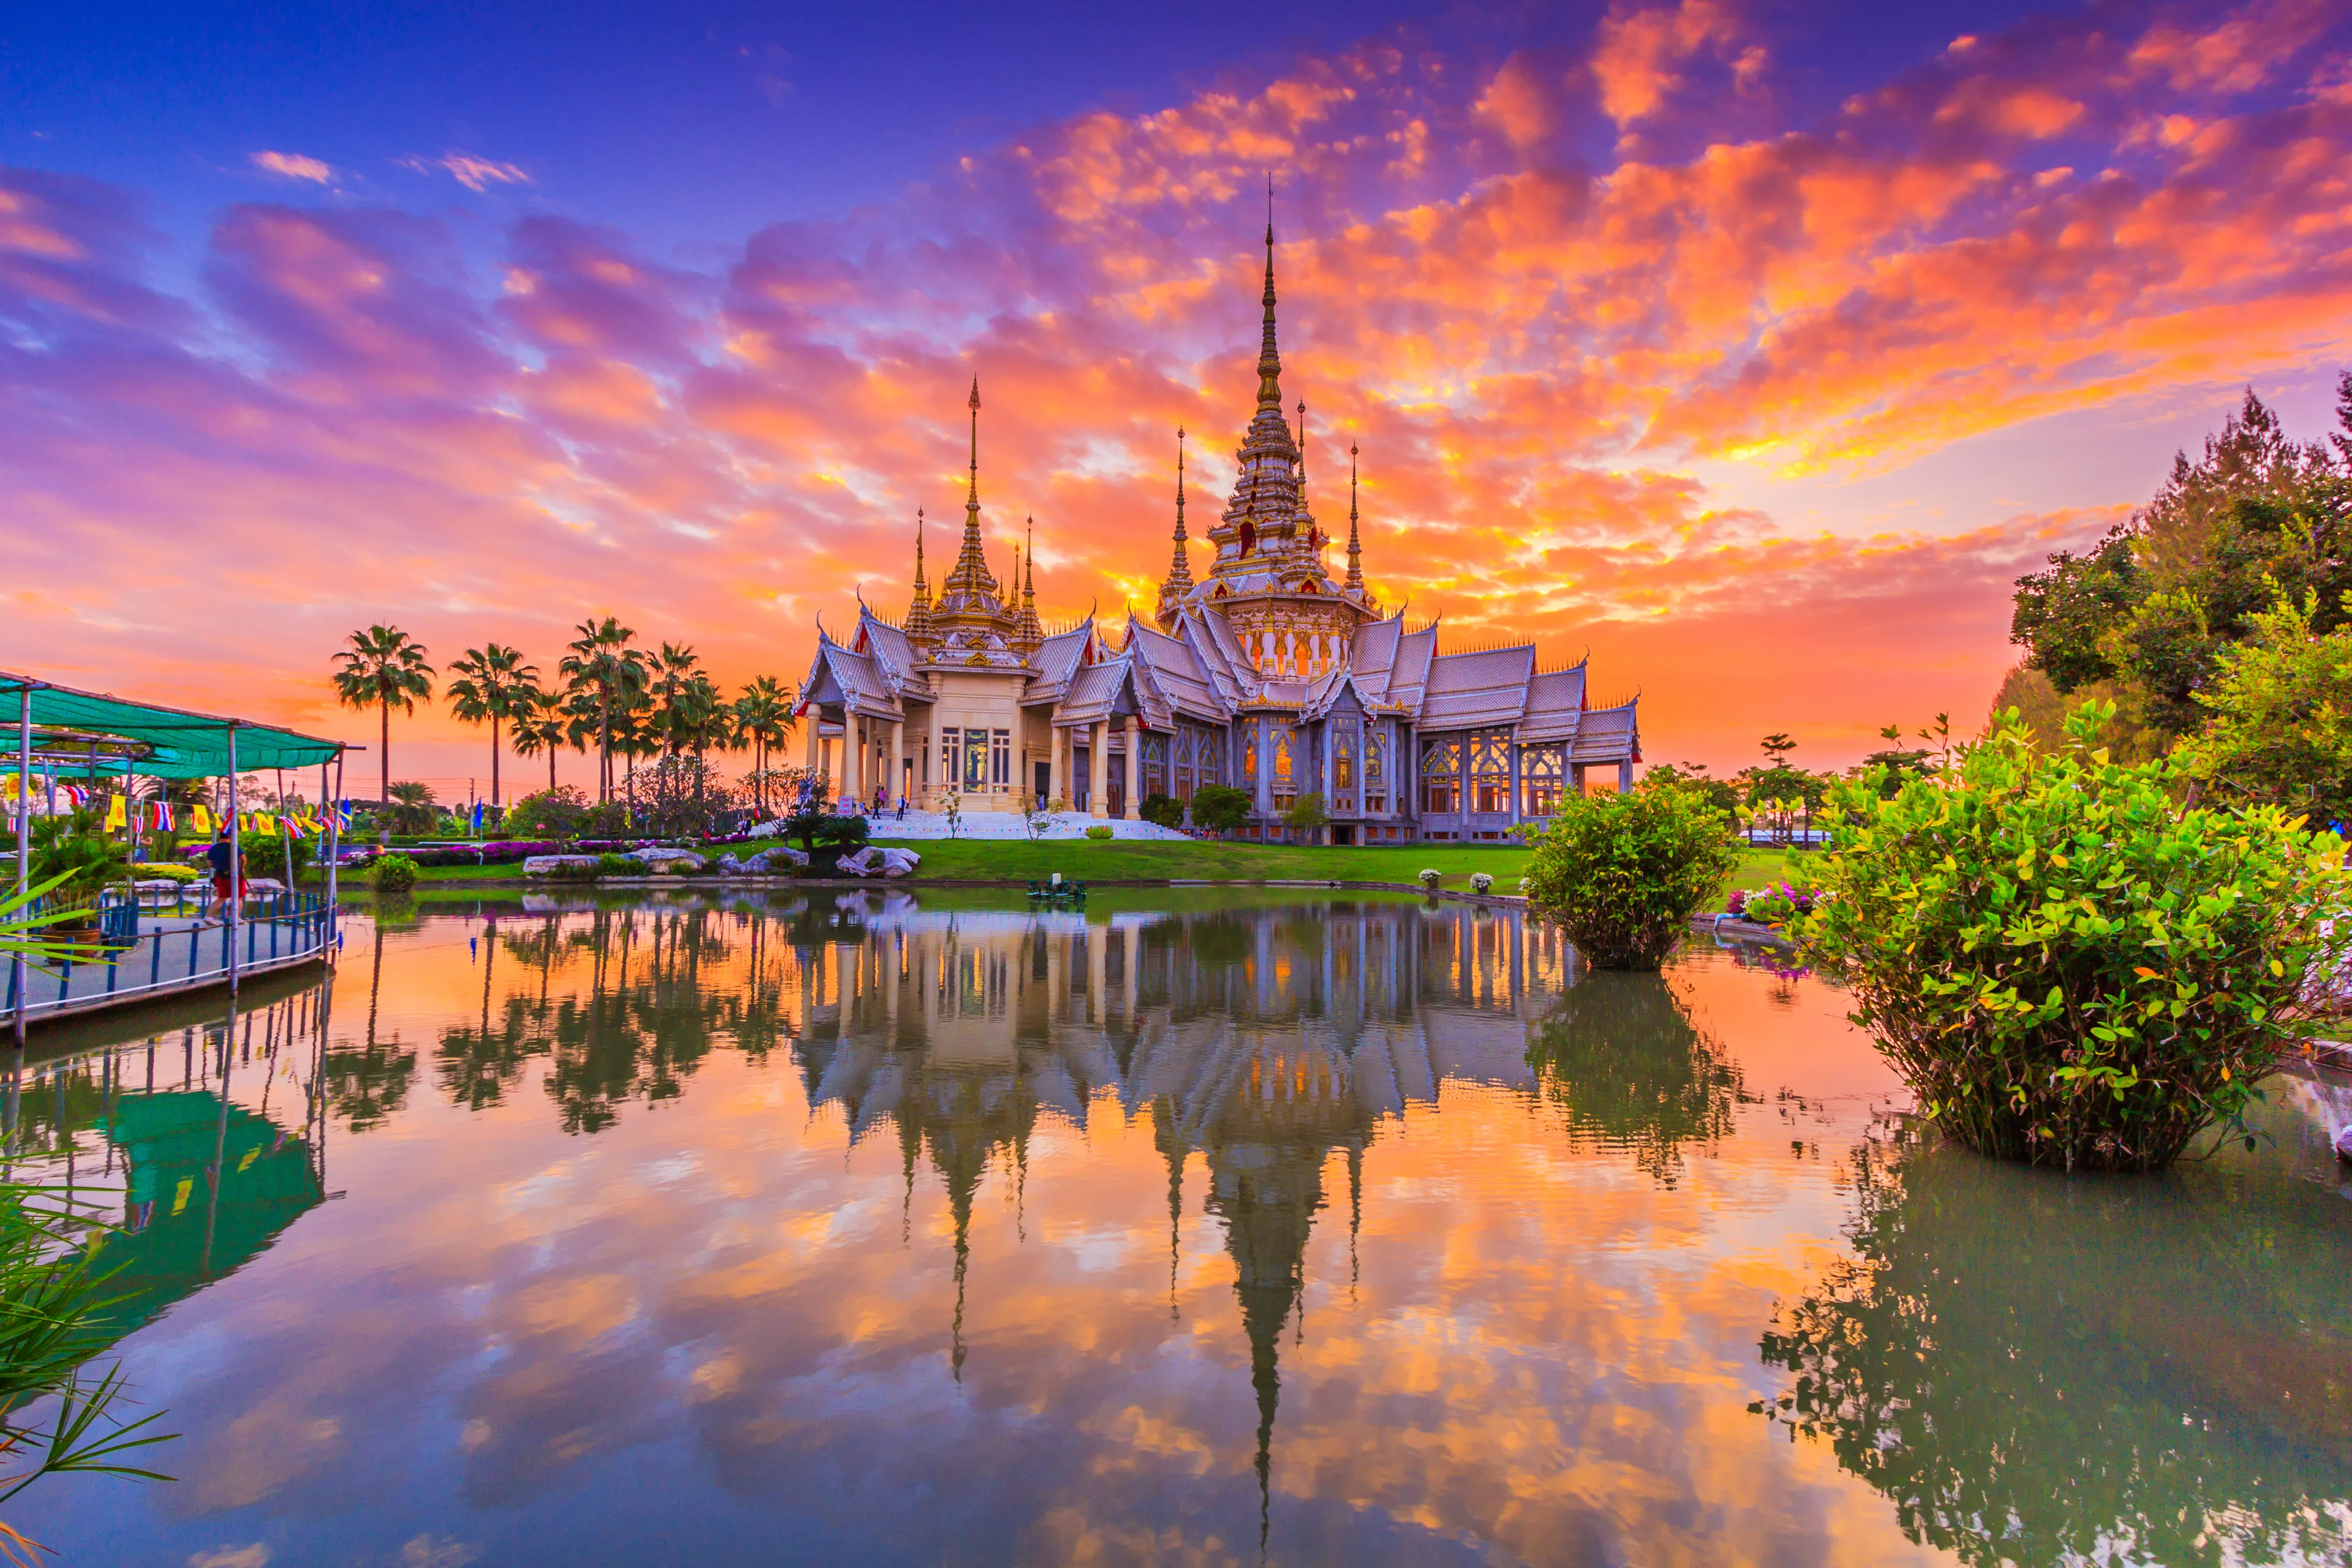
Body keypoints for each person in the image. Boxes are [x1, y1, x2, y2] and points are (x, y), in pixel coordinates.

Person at [206, 829, 238, 912]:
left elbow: (210, 864)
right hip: (233, 875)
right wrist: (242, 868)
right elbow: (243, 859)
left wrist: (217, 866)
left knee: (222, 898)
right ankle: (235, 917)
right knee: (238, 897)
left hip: (220, 875)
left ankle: (209, 916)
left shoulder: (214, 848)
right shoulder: (233, 846)